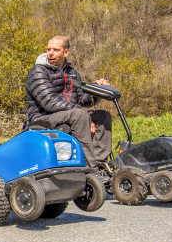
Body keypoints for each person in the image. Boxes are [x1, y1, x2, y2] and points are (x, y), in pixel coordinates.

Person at [25, 35, 113, 169]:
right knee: (80, 115)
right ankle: (89, 167)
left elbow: (83, 99)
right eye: (49, 49)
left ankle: (99, 161)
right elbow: (50, 102)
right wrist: (81, 114)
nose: (50, 53)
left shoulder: (71, 72)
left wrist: (97, 90)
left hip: (68, 115)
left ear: (66, 52)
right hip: (42, 119)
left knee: (103, 116)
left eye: (55, 50)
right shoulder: (38, 72)